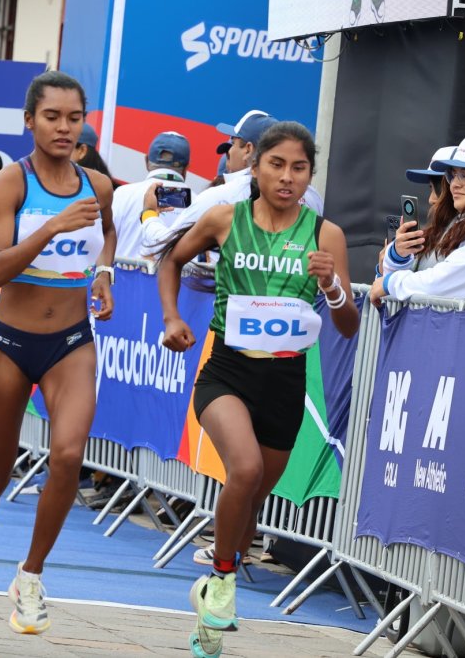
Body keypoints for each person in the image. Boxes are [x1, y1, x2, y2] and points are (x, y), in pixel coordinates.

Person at [155, 122, 359, 658]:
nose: (287, 177)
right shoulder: (225, 218)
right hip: (227, 371)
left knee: (253, 502)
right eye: (277, 164)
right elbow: (171, 260)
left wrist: (331, 286)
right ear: (256, 167)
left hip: (286, 381)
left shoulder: (326, 235)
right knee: (242, 471)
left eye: (299, 168)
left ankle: (210, 610)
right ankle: (223, 581)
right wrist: (172, 317)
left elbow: (348, 326)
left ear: (310, 174)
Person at [0, 70, 116, 644]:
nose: (64, 127)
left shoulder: (98, 184)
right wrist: (54, 227)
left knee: (67, 456)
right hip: (10, 342)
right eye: (52, 117)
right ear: (29, 121)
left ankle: (31, 576)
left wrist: (105, 274)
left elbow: (109, 233)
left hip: (71, 342)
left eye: (74, 118)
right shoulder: (10, 182)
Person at [142, 110, 323, 254]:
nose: (229, 151)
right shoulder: (313, 197)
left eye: (233, 143)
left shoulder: (221, 197)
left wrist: (149, 213)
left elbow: (162, 245)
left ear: (248, 150)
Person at [370, 134, 465, 304]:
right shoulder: (464, 225)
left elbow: (438, 285)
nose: (454, 184)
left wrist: (389, 283)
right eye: (453, 175)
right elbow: (393, 295)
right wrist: (397, 258)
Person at [111, 131, 195, 259]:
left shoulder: (121, 194)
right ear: (187, 167)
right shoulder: (198, 201)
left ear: (146, 160)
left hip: (123, 272)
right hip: (178, 273)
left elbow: (104, 241)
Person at [376, 145, 455, 276]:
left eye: (437, 188)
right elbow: (395, 285)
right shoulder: (427, 237)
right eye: (430, 188)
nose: (431, 199)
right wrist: (390, 263)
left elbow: (429, 284)